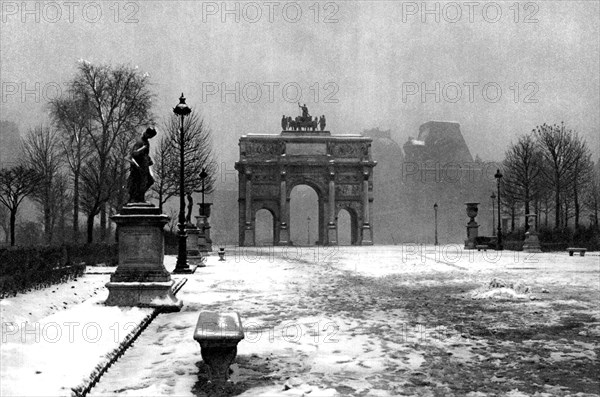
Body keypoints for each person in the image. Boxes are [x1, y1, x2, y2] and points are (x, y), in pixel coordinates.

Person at [127, 127, 157, 203]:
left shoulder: (146, 141)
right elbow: (134, 153)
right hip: (138, 166)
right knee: (140, 182)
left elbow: (145, 154)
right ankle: (137, 197)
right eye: (150, 136)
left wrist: (148, 159)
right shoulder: (140, 141)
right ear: (147, 133)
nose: (151, 137)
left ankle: (139, 196)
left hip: (144, 165)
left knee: (148, 181)